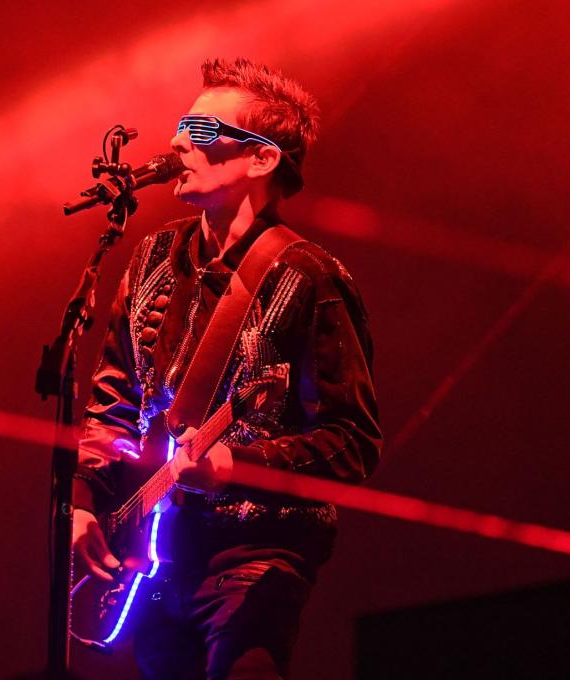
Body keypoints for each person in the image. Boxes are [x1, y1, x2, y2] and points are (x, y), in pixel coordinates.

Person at [70, 57, 381, 679]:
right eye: (181, 125)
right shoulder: (154, 256)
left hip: (257, 555)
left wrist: (236, 465)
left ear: (262, 159)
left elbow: (354, 441)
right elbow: (114, 399)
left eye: (203, 131)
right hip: (156, 558)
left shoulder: (310, 278)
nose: (178, 142)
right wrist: (84, 502)